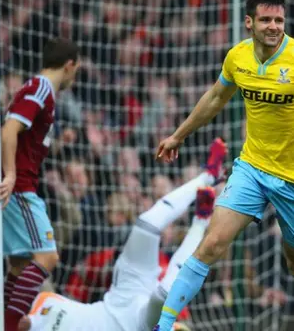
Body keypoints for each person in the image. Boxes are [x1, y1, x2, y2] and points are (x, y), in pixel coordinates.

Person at [153, 0, 294, 330]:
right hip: (253, 168)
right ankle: (164, 324)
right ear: (249, 22)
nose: (274, 26)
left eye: (279, 19)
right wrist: (179, 134)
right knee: (212, 243)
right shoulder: (238, 57)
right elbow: (217, 96)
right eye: (266, 19)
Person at [17, 138, 227, 331]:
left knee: (146, 225)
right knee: (162, 296)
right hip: (136, 326)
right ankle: (201, 221)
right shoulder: (2, 316)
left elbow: (5, 295)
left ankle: (207, 176)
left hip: (121, 295)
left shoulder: (43, 300)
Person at [0, 38, 80, 331]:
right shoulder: (41, 88)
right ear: (69, 65)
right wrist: (11, 175)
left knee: (18, 266)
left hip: (22, 185)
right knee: (48, 256)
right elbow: (9, 131)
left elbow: (24, 140)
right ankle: (7, 324)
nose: (74, 77)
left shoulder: (40, 93)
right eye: (76, 71)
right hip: (19, 189)